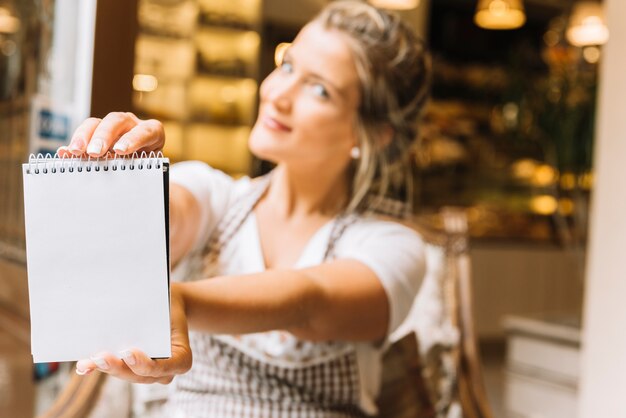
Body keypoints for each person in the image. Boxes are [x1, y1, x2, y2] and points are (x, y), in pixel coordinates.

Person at [60, 1, 431, 416]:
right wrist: (125, 179)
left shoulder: (394, 247)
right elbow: (167, 215)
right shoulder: (217, 197)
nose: (278, 94)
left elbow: (307, 301)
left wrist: (179, 301)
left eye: (319, 89)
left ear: (375, 135)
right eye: (288, 65)